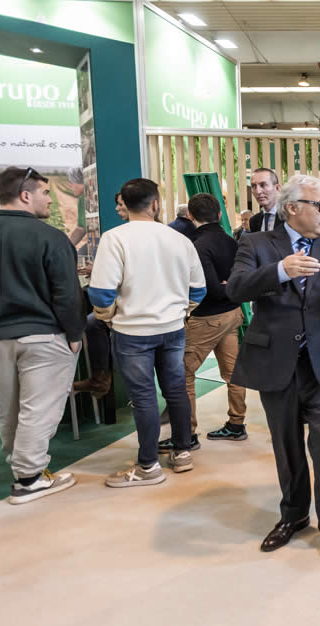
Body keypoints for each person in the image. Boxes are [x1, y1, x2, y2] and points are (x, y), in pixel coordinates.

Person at [227, 174, 320, 562]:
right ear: (292, 208)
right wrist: (280, 270)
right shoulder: (257, 243)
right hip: (276, 362)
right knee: (286, 443)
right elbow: (236, 288)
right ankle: (293, 515)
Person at [90, 178, 207, 486]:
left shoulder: (114, 238)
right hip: (173, 328)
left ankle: (148, 466)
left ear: (123, 205)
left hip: (131, 332)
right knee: (176, 391)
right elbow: (199, 289)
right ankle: (182, 452)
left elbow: (101, 293)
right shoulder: (180, 239)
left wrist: (108, 318)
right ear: (155, 204)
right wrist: (182, 312)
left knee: (143, 398)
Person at [0, 166, 84, 503]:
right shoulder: (50, 237)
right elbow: (66, 293)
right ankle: (29, 479)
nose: (50, 200)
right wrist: (75, 334)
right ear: (25, 196)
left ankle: (21, 467)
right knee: (38, 409)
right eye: (44, 193)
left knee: (8, 408)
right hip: (43, 336)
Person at [177, 192, 248, 449]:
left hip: (206, 319)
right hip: (233, 314)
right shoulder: (232, 241)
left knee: (183, 375)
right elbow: (238, 282)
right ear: (219, 214)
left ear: (190, 215)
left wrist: (223, 287)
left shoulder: (196, 246)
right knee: (233, 373)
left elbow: (210, 289)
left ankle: (187, 434)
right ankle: (236, 424)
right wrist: (230, 287)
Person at [247, 168, 282, 233]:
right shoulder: (254, 221)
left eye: (263, 185)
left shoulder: (290, 218)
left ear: (277, 188)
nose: (258, 191)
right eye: (254, 186)